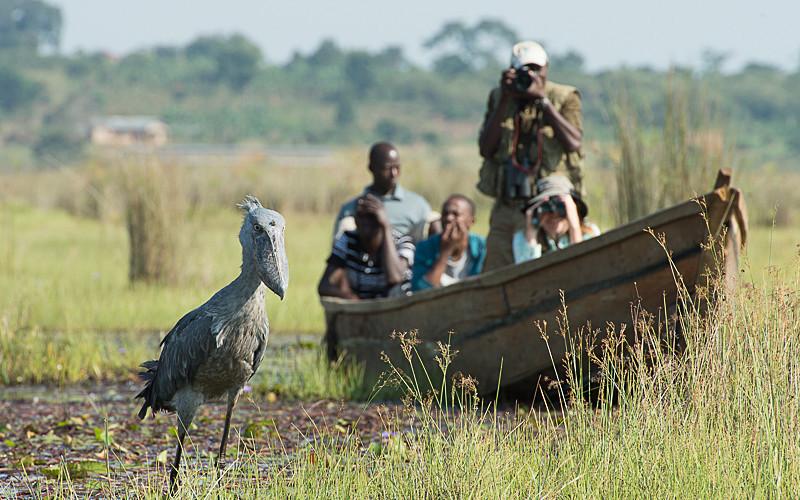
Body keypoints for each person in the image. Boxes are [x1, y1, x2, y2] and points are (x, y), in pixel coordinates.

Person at [477, 41, 585, 271]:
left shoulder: (563, 97)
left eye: (537, 69)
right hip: (508, 203)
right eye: (526, 70)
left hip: (548, 206)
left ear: (546, 68)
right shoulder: (500, 97)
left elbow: (574, 142)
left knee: (550, 271)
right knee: (496, 270)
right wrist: (506, 101)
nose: (532, 75)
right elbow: (486, 149)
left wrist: (542, 102)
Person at [333, 142, 439, 243]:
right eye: (387, 168)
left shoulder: (417, 205)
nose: (394, 173)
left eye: (397, 167)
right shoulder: (352, 208)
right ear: (371, 168)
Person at [318, 193, 415, 300]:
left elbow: (395, 277)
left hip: (397, 308)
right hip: (362, 309)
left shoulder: (402, 242)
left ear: (382, 218)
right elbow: (324, 286)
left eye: (371, 216)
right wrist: (353, 299)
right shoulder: (347, 239)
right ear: (355, 219)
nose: (365, 221)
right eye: (361, 216)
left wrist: (386, 227)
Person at [513, 175, 599, 263]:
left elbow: (586, 268)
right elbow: (526, 274)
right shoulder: (522, 238)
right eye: (546, 208)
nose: (554, 214)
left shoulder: (590, 232)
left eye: (561, 207)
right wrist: (531, 237)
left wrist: (575, 229)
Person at [412, 194, 486, 291]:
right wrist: (445, 252)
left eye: (456, 214)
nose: (449, 218)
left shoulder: (482, 247)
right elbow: (420, 291)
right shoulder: (425, 247)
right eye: (445, 213)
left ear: (471, 221)